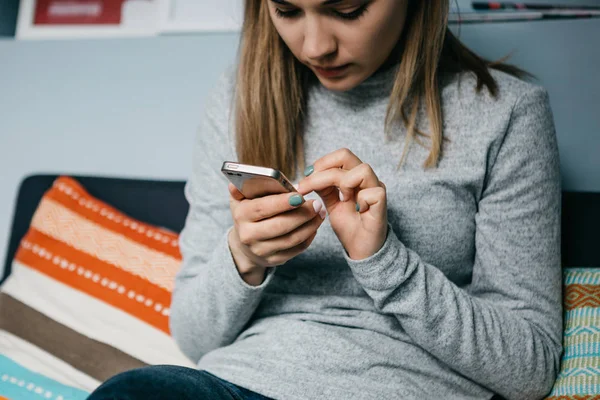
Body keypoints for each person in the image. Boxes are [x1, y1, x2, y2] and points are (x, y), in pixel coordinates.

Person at [88, 0, 562, 399]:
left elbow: (530, 368)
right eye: (287, 10)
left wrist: (384, 263)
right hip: (232, 384)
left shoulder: (506, 113)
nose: (315, 46)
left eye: (347, 9)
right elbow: (193, 340)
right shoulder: (239, 99)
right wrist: (244, 257)